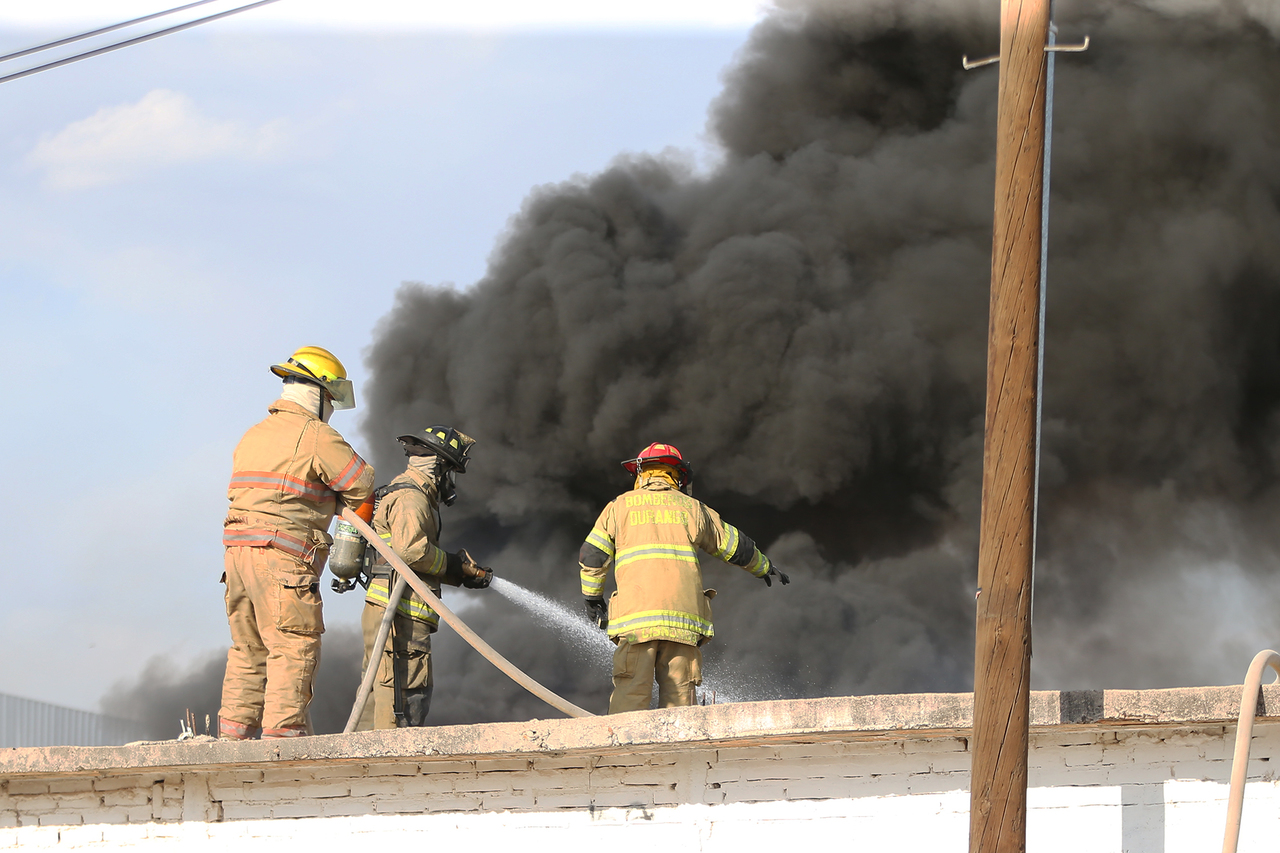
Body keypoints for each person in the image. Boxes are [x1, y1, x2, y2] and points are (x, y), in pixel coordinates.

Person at [218, 346, 375, 739]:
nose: (332, 408)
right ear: (318, 392)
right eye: (331, 399)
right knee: (293, 645)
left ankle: (232, 739)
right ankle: (283, 743)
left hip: (236, 558)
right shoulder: (316, 436)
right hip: (282, 559)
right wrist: (348, 541)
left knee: (248, 648)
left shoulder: (254, 434)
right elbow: (362, 485)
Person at [579, 442, 789, 714]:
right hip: (682, 623)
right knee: (679, 701)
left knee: (631, 693)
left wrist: (593, 598)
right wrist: (763, 566)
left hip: (635, 624)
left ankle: (624, 744)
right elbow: (733, 545)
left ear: (641, 473)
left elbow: (593, 556)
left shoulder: (618, 508)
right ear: (677, 475)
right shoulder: (693, 508)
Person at [358, 426, 494, 729]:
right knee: (402, 698)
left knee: (377, 694)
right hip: (400, 618)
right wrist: (455, 566)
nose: (451, 482)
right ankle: (393, 757)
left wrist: (459, 574)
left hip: (392, 613)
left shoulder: (405, 492)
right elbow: (411, 552)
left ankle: (365, 757)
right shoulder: (412, 498)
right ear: (439, 467)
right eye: (451, 472)